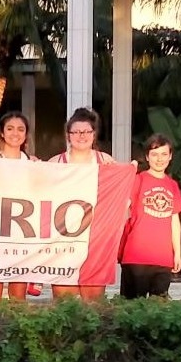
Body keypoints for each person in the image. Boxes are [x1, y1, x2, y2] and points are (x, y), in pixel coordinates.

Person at [47, 107, 120, 303]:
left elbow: (121, 198)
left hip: (95, 241)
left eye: (87, 132)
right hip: (63, 241)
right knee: (64, 305)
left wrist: (126, 172)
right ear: (68, 135)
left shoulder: (106, 162)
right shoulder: (55, 163)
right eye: (76, 132)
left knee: (94, 305)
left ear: (94, 134)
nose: (81, 136)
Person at [119, 134, 181, 299]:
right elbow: (121, 207)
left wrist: (177, 253)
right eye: (155, 154)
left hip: (163, 258)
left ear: (170, 156)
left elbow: (174, 221)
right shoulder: (137, 180)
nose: (159, 159)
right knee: (131, 309)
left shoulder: (172, 185)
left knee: (159, 309)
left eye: (164, 154)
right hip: (136, 256)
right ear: (147, 157)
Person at [0, 111, 38, 301]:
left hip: (21, 233)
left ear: (26, 134)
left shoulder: (33, 164)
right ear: (2, 133)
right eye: (10, 128)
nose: (15, 133)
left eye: (21, 129)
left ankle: (17, 330)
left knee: (18, 296)